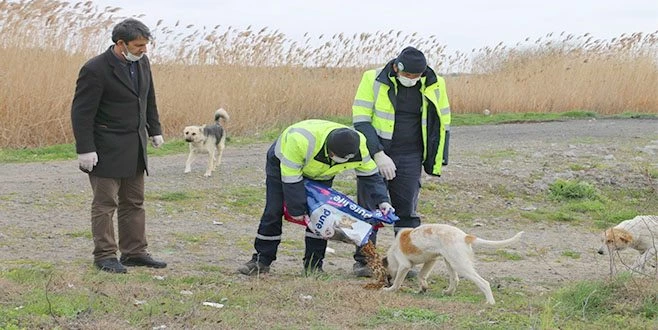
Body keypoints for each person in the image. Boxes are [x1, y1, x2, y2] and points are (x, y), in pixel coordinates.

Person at [71, 18, 167, 274]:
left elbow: (149, 98)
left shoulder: (142, 63)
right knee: (105, 204)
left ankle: (134, 252)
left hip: (135, 146)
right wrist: (85, 149)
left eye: (146, 45)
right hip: (105, 149)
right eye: (139, 45)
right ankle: (104, 255)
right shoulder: (95, 69)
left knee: (134, 202)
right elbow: (81, 113)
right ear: (120, 43)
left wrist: (154, 129)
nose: (144, 49)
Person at [238, 119, 393, 276]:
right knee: (273, 210)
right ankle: (261, 261)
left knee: (321, 216)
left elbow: (371, 177)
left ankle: (313, 266)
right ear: (329, 150)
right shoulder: (299, 141)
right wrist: (297, 209)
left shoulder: (359, 145)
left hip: (320, 173)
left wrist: (383, 201)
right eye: (335, 156)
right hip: (283, 164)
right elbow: (291, 180)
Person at [351, 46, 451, 277]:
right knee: (369, 208)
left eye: (416, 77)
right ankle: (365, 261)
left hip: (411, 154)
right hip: (377, 151)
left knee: (406, 210)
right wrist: (378, 153)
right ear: (396, 68)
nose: (411, 80)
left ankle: (406, 262)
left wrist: (437, 156)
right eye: (407, 76)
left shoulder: (435, 83)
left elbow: (442, 121)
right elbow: (362, 120)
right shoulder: (373, 78)